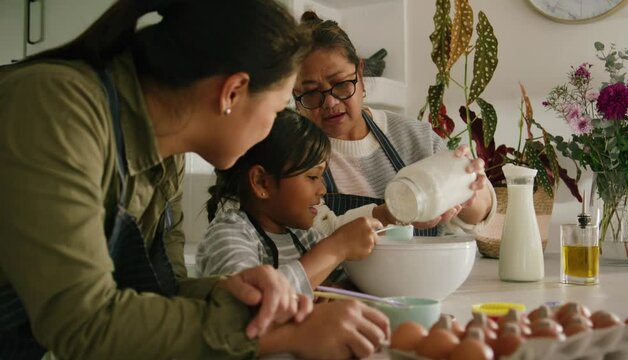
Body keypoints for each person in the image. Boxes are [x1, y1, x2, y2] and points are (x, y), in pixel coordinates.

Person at [0, 1, 388, 359]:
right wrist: (284, 334)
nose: (272, 128)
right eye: (274, 109)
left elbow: (158, 293)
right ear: (232, 92)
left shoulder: (166, 158)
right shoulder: (56, 107)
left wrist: (225, 289)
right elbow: (82, 323)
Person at [295, 11, 496, 237]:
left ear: (360, 75)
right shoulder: (296, 157)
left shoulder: (414, 137)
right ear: (294, 95)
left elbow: (480, 215)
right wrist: (392, 213)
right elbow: (314, 237)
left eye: (340, 84)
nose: (330, 102)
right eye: (311, 93)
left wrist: (468, 186)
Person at [197, 109, 382, 296]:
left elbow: (348, 283)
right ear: (262, 182)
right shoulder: (229, 234)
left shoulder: (305, 237)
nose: (322, 190)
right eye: (312, 177)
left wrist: (337, 289)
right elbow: (246, 303)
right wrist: (337, 248)